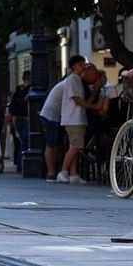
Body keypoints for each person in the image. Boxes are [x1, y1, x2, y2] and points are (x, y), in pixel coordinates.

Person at [39, 55, 88, 183]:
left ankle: (70, 173)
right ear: (74, 67)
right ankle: (53, 172)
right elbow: (76, 99)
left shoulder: (74, 80)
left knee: (63, 145)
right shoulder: (72, 81)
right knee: (52, 144)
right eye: (81, 64)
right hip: (52, 115)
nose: (84, 67)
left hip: (58, 115)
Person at [6, 71, 31, 171]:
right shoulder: (30, 90)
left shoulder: (17, 91)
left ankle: (19, 164)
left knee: (21, 143)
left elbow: (12, 108)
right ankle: (21, 166)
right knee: (25, 143)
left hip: (17, 120)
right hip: (26, 119)